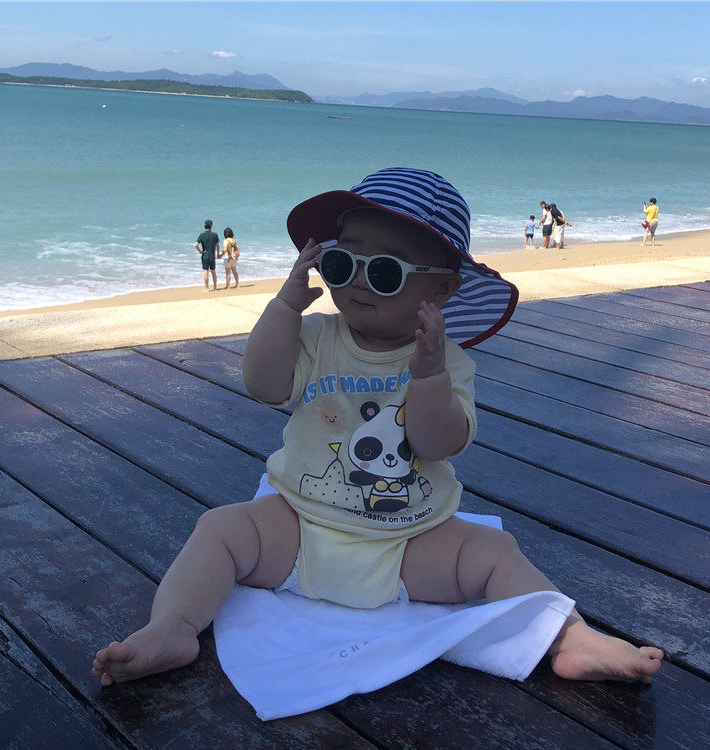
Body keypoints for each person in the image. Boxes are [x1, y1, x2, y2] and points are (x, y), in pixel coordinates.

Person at [92, 167, 664, 689]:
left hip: (408, 540)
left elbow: (438, 443)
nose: (360, 282)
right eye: (344, 263)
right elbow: (263, 384)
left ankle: (569, 638)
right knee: (219, 529)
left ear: (441, 290)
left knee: (494, 553)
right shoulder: (316, 338)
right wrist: (285, 308)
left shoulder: (450, 362)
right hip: (300, 524)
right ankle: (174, 627)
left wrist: (429, 375)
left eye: (386, 271)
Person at [195, 219, 221, 291]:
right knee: (213, 271)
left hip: (205, 256)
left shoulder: (202, 235)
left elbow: (196, 245)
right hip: (212, 256)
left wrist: (200, 251)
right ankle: (215, 287)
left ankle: (207, 288)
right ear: (211, 226)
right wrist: (218, 254)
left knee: (205, 271)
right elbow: (217, 245)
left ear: (204, 226)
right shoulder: (215, 235)